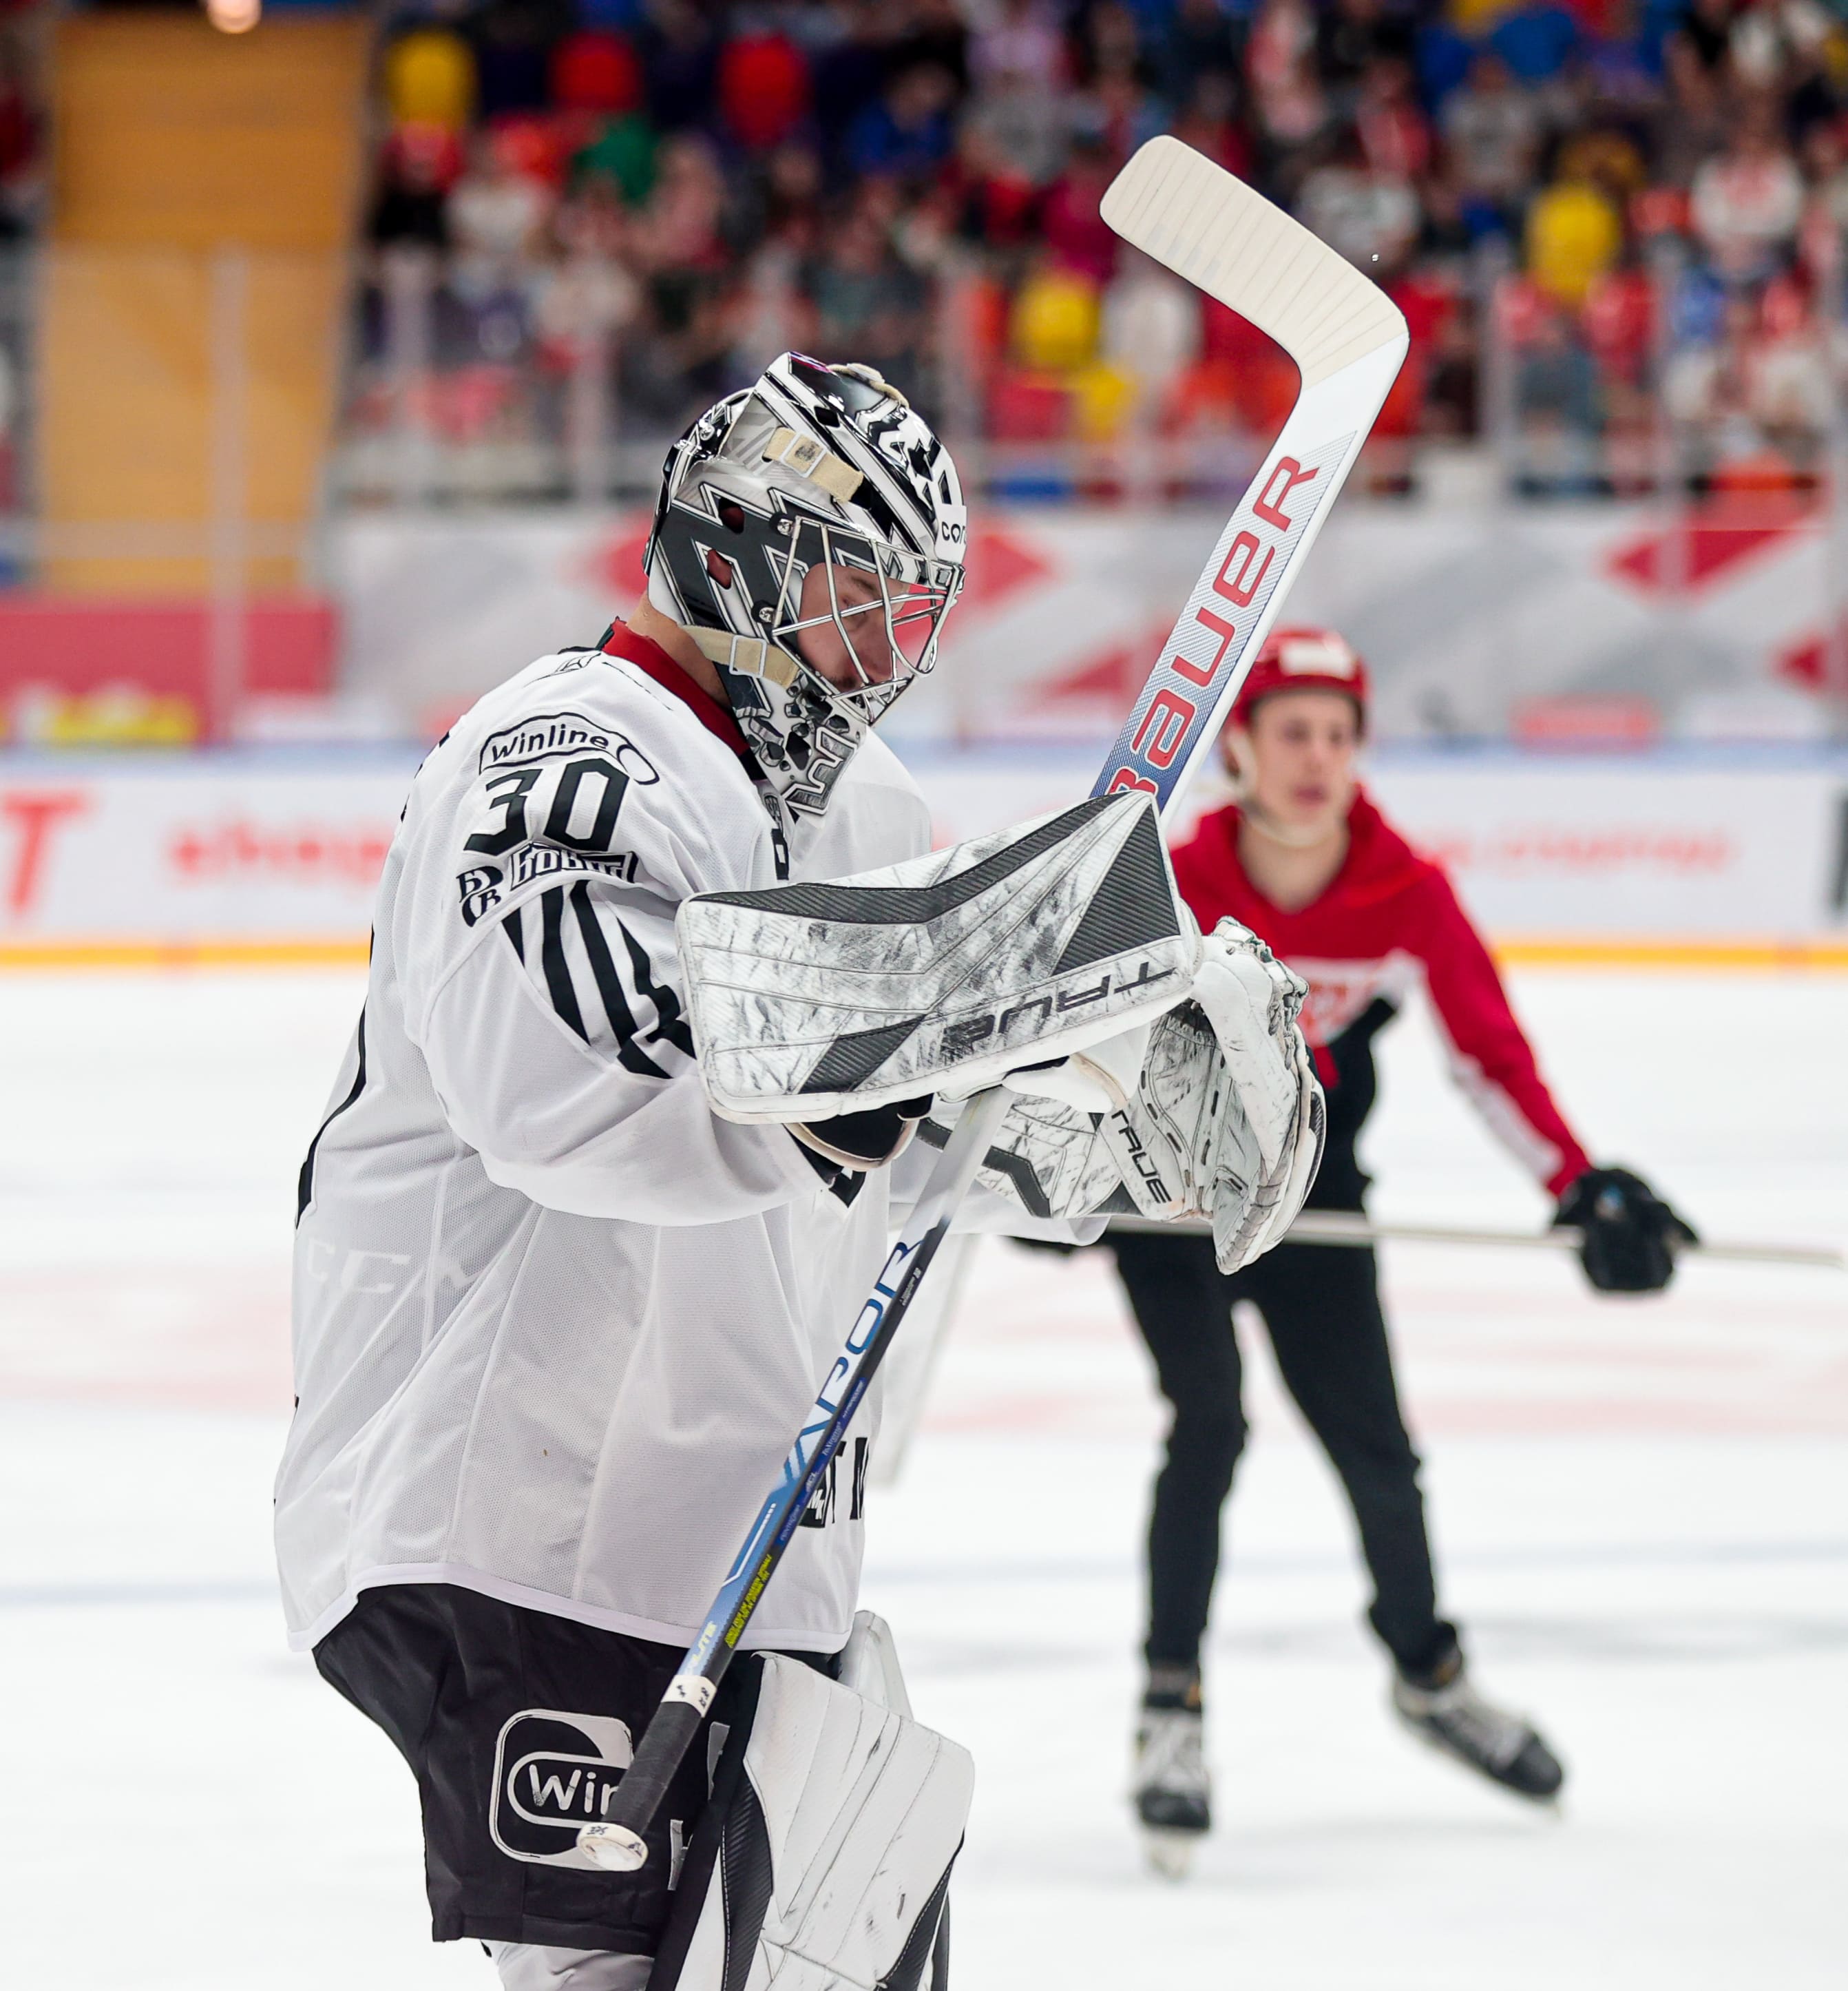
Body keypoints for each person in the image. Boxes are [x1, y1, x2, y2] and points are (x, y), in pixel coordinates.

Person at [277, 351, 1322, 1989]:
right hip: (527, 1537)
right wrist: (1027, 954)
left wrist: (1106, 1127)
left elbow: (906, 1131)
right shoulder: (562, 755)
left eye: (910, 615)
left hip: (739, 1539)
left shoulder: (858, 807)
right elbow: (594, 1088)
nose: (882, 656)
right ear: (736, 551)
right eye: (852, 595)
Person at [1122, 625, 1696, 1868]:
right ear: (1243, 750)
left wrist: (1578, 1182)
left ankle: (1430, 1678)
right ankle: (1172, 1704)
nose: (1318, 758)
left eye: (1339, 733)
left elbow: (1490, 1054)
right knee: (1209, 1425)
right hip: (1172, 1205)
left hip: (1317, 1198)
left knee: (1380, 1452)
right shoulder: (1175, 875)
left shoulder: (1405, 884)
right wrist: (1057, 1170)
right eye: (1293, 732)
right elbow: (1080, 1032)